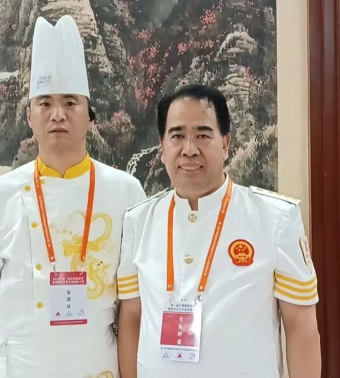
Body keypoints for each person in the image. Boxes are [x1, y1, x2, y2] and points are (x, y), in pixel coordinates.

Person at [0, 15, 145, 378]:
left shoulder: (125, 191)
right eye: (45, 103)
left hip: (97, 367)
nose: (58, 115)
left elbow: (136, 310)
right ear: (29, 116)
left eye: (70, 102)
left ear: (90, 116)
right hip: (20, 367)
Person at [117, 84, 321, 378]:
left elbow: (301, 327)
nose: (189, 149)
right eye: (177, 136)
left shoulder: (275, 219)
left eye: (202, 135)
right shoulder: (138, 221)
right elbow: (131, 319)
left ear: (225, 144)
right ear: (162, 147)